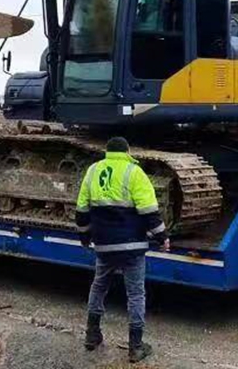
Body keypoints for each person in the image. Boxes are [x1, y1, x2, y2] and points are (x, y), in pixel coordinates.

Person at [75, 137, 169, 363]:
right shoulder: (134, 172)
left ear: (107, 152)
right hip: (133, 246)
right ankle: (136, 347)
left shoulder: (93, 170)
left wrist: (84, 237)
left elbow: (82, 210)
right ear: (127, 151)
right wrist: (162, 237)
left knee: (99, 287)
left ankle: (92, 335)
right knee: (135, 294)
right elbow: (149, 211)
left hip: (105, 244)